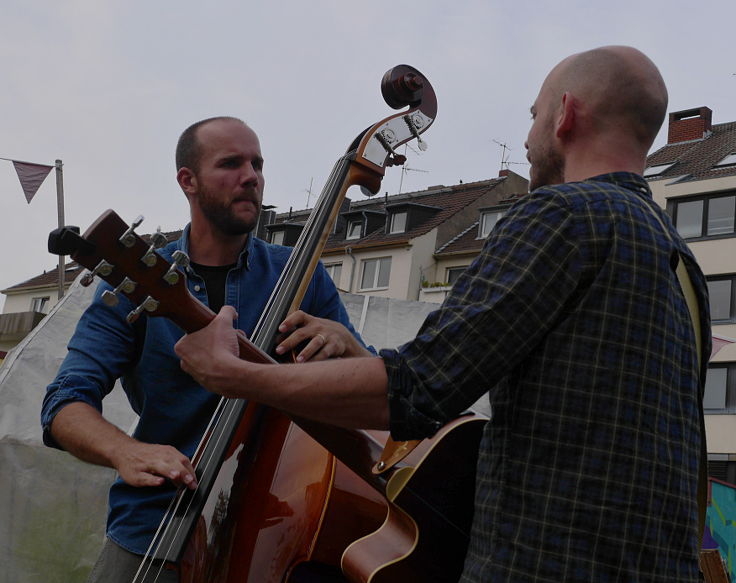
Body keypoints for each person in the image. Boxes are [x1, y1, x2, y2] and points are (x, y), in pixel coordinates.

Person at [175, 47, 712, 582]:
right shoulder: (682, 263)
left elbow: (416, 390)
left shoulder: (562, 217)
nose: (527, 140)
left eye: (533, 116)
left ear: (566, 114)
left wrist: (237, 375)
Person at [41, 116, 372, 582]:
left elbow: (378, 393)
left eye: (257, 164)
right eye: (231, 163)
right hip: (157, 524)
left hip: (279, 526)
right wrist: (126, 452)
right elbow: (64, 402)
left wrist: (350, 347)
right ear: (187, 181)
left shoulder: (300, 275)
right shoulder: (132, 282)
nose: (251, 176)